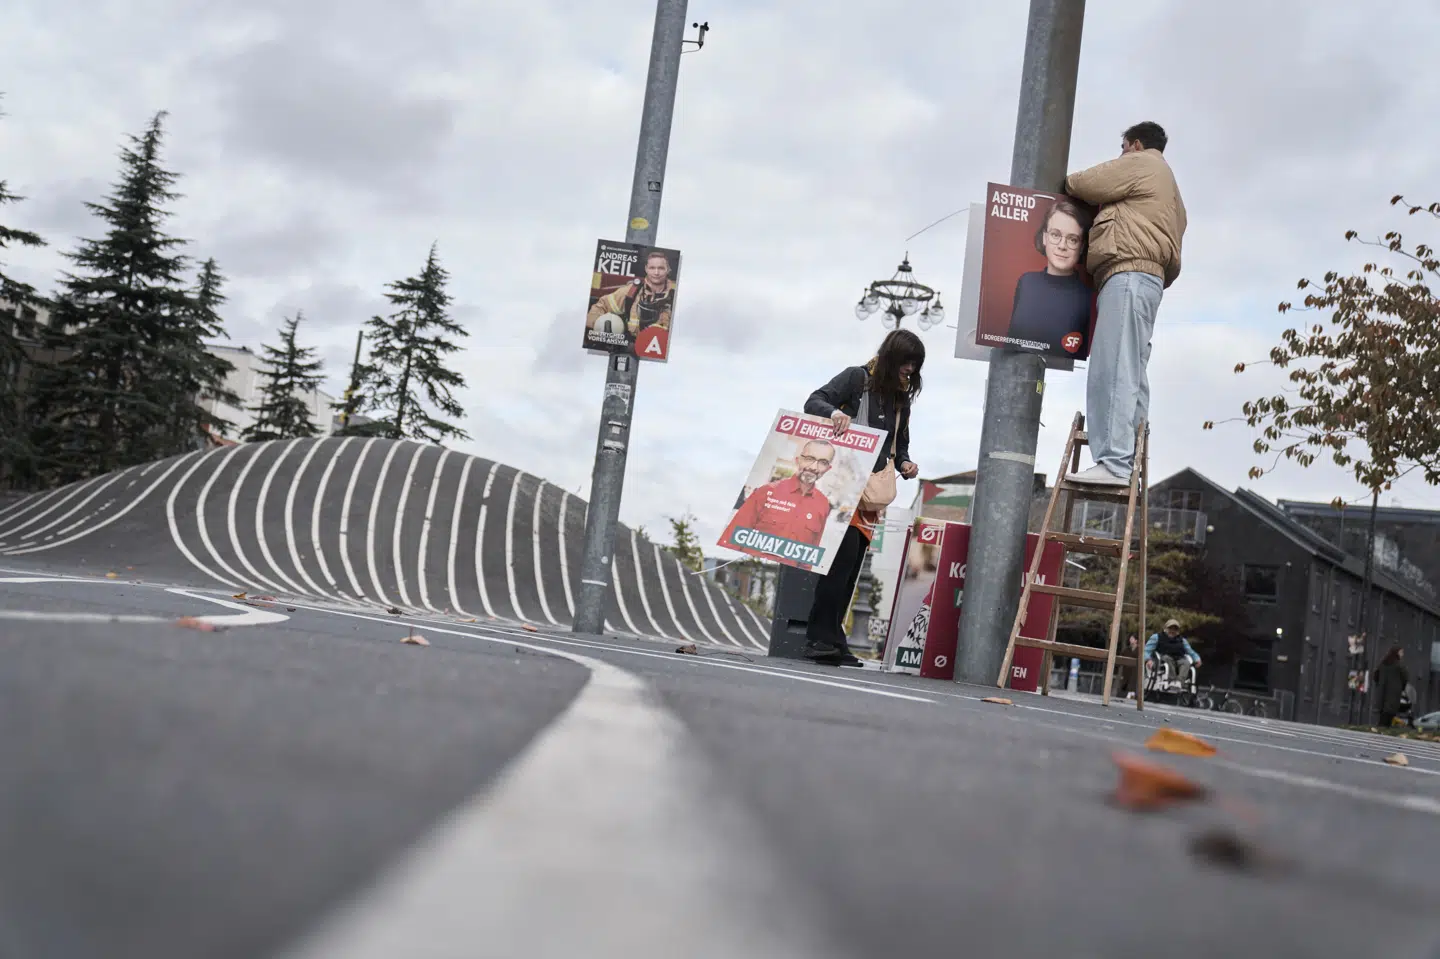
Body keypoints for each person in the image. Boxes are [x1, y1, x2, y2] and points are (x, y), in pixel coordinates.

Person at [1063, 121, 1187, 485]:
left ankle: (1115, 462)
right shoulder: (1171, 188)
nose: (1119, 156)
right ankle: (1128, 460)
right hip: (1147, 281)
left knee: (1113, 366)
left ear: (1133, 144)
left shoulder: (1143, 162)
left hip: (1128, 275)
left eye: (1121, 149)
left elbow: (1083, 183)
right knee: (1131, 370)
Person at [801, 329, 924, 667]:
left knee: (851, 568)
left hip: (869, 491)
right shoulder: (857, 379)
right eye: (906, 363)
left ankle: (832, 639)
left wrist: (906, 464)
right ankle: (820, 639)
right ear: (891, 358)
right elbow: (814, 400)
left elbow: (899, 447)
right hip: (841, 484)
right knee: (839, 565)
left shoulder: (900, 400)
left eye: (915, 365)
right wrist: (833, 413)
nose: (910, 370)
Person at [1007, 197, 1095, 353]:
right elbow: (1010, 342)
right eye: (1055, 235)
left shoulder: (1088, 298)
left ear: (1081, 247)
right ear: (1044, 237)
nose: (1062, 246)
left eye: (1072, 239)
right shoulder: (1026, 282)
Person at [720, 439, 835, 552]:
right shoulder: (765, 492)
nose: (814, 467)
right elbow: (731, 540)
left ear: (828, 469)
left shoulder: (823, 504)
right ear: (798, 460)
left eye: (823, 462)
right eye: (809, 459)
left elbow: (810, 552)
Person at [586, 249, 676, 340]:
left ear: (668, 270)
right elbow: (601, 306)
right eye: (652, 268)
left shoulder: (675, 299)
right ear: (646, 269)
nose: (656, 273)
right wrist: (599, 327)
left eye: (661, 268)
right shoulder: (631, 292)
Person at [1145, 618, 1200, 688]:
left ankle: (1178, 683)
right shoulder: (1156, 637)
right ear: (1165, 628)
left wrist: (1197, 659)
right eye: (1170, 628)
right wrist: (1148, 659)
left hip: (1178, 659)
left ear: (1178, 631)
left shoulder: (1182, 640)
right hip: (1162, 659)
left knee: (1186, 662)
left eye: (1175, 629)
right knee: (1167, 658)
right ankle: (1172, 681)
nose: (1172, 631)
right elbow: (1146, 650)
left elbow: (1190, 651)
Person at [1372, 645, 1409, 728]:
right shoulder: (1399, 665)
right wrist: (1401, 687)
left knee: (1383, 715)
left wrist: (1380, 684)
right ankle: (1383, 730)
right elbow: (1405, 678)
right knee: (1389, 715)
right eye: (1401, 652)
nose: (1402, 654)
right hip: (1393, 694)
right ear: (1397, 653)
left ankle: (1380, 728)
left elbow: (1375, 675)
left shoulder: (1383, 664)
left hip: (1382, 693)